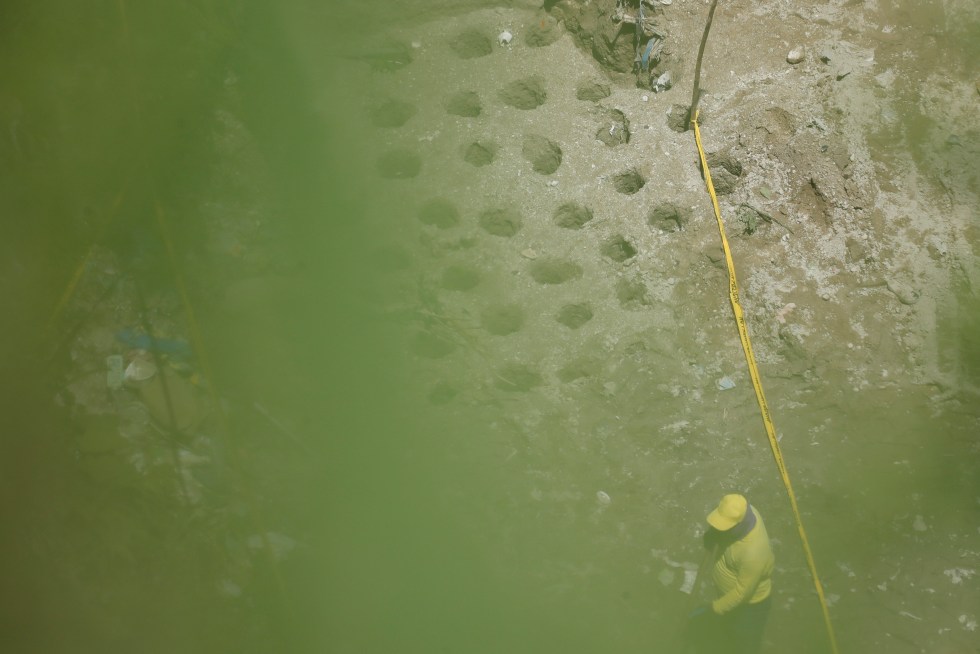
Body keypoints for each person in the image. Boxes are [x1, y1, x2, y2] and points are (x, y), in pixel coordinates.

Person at [688, 493, 775, 653]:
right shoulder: (747, 512)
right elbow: (720, 527)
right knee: (727, 632)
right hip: (726, 595)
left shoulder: (753, 553)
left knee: (744, 643)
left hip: (750, 607)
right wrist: (713, 534)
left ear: (739, 525)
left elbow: (742, 593)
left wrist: (714, 609)